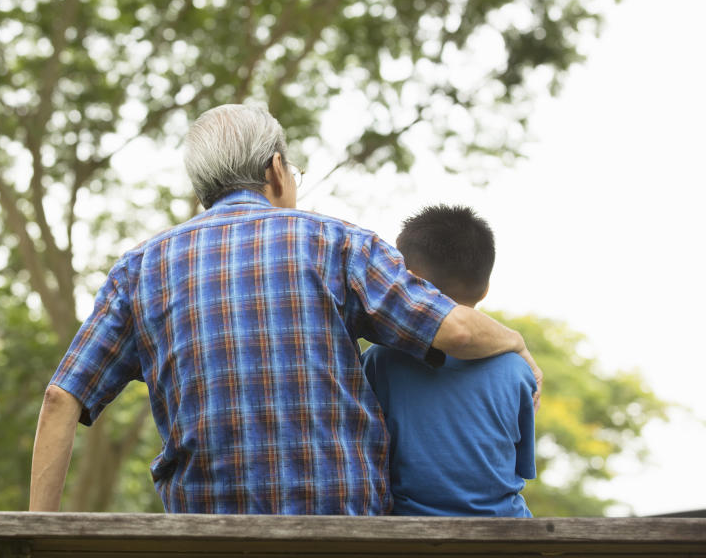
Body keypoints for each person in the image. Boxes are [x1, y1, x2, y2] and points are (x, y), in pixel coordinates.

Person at [29, 104, 542, 514]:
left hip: (202, 534)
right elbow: (456, 332)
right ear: (276, 170)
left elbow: (60, 399)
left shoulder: (139, 269)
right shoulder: (340, 244)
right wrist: (514, 341)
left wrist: (38, 535)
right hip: (343, 534)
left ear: (201, 189)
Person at [362, 204, 537, 517]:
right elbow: (518, 465)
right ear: (484, 290)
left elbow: (371, 455)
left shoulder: (379, 361)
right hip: (506, 530)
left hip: (408, 532)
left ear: (408, 282)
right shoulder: (518, 369)